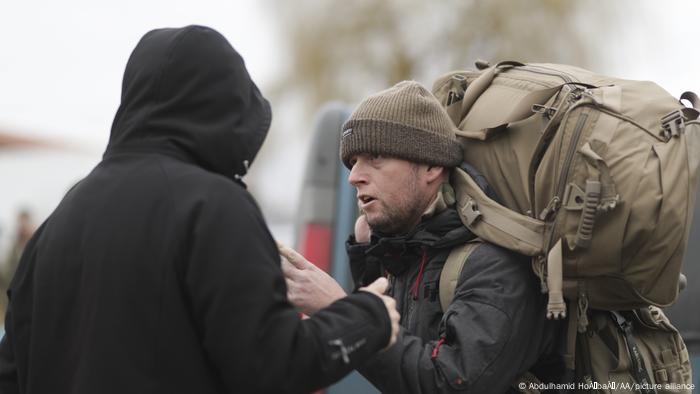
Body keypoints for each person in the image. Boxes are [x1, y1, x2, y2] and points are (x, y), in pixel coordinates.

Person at [0, 25, 400, 394]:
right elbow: (271, 365)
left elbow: (10, 374)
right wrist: (367, 317)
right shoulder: (212, 206)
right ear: (226, 108)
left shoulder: (58, 222)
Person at [282, 81, 564, 393]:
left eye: (375, 157)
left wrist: (341, 311)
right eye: (352, 162)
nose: (354, 176)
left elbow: (449, 383)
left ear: (431, 165)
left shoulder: (494, 265)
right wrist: (367, 258)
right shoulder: (408, 254)